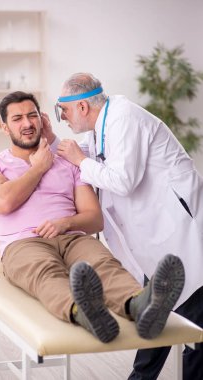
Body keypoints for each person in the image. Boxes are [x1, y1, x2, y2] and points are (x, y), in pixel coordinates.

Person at [0, 91, 185, 346]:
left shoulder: (68, 163)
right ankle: (84, 312)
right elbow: (3, 201)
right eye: (17, 119)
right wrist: (39, 167)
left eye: (32, 116)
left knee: (103, 263)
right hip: (23, 243)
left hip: (72, 237)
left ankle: (140, 306)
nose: (27, 124)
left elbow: (94, 219)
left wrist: (66, 223)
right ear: (5, 128)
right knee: (46, 274)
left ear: (42, 119)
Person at [48, 72, 203, 379]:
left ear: (81, 107)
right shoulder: (102, 125)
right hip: (156, 231)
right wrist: (51, 138)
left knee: (193, 317)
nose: (62, 117)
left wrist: (80, 161)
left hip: (177, 223)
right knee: (159, 307)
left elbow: (122, 181)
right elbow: (82, 153)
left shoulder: (124, 118)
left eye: (62, 111)